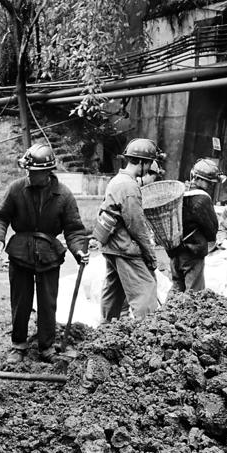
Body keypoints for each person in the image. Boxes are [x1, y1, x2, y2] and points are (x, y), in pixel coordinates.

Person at [0, 143, 88, 364]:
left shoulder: (63, 195)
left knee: (47, 304)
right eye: (28, 170)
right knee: (20, 302)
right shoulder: (16, 189)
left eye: (34, 171)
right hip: (20, 254)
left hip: (49, 256)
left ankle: (47, 347)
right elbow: (0, 217)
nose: (29, 175)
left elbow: (74, 229)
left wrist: (79, 251)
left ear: (47, 172)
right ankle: (18, 345)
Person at [97, 138, 158, 322]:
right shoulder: (129, 186)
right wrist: (149, 254)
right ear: (142, 162)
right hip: (124, 247)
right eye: (149, 163)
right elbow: (136, 225)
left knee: (113, 290)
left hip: (110, 244)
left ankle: (107, 328)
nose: (149, 167)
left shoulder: (117, 180)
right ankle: (147, 330)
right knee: (146, 289)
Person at [166, 158, 219, 292]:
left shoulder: (178, 193)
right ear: (199, 179)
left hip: (174, 251)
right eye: (209, 182)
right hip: (192, 253)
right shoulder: (202, 199)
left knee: (176, 289)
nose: (210, 186)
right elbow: (212, 230)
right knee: (194, 294)